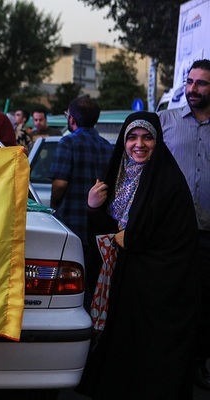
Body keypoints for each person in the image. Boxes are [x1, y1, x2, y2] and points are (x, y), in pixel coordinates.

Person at [76, 111, 199, 399]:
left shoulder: (169, 182)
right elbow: (107, 233)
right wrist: (93, 207)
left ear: (158, 141)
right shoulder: (118, 176)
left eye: (147, 137)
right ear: (123, 141)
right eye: (132, 137)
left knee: (148, 359)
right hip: (123, 284)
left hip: (157, 288)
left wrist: (134, 238)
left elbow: (177, 238)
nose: (139, 144)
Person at [159, 58, 210, 391]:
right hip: (171, 237)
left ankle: (197, 362)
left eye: (201, 83)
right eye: (190, 82)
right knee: (170, 300)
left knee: (204, 304)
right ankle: (167, 364)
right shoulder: (166, 122)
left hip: (208, 237)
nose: (193, 89)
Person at [49, 95, 113, 302]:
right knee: (92, 281)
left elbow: (60, 183)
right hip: (96, 225)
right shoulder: (107, 147)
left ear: (72, 119)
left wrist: (53, 205)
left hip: (71, 224)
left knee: (68, 283)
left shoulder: (67, 142)